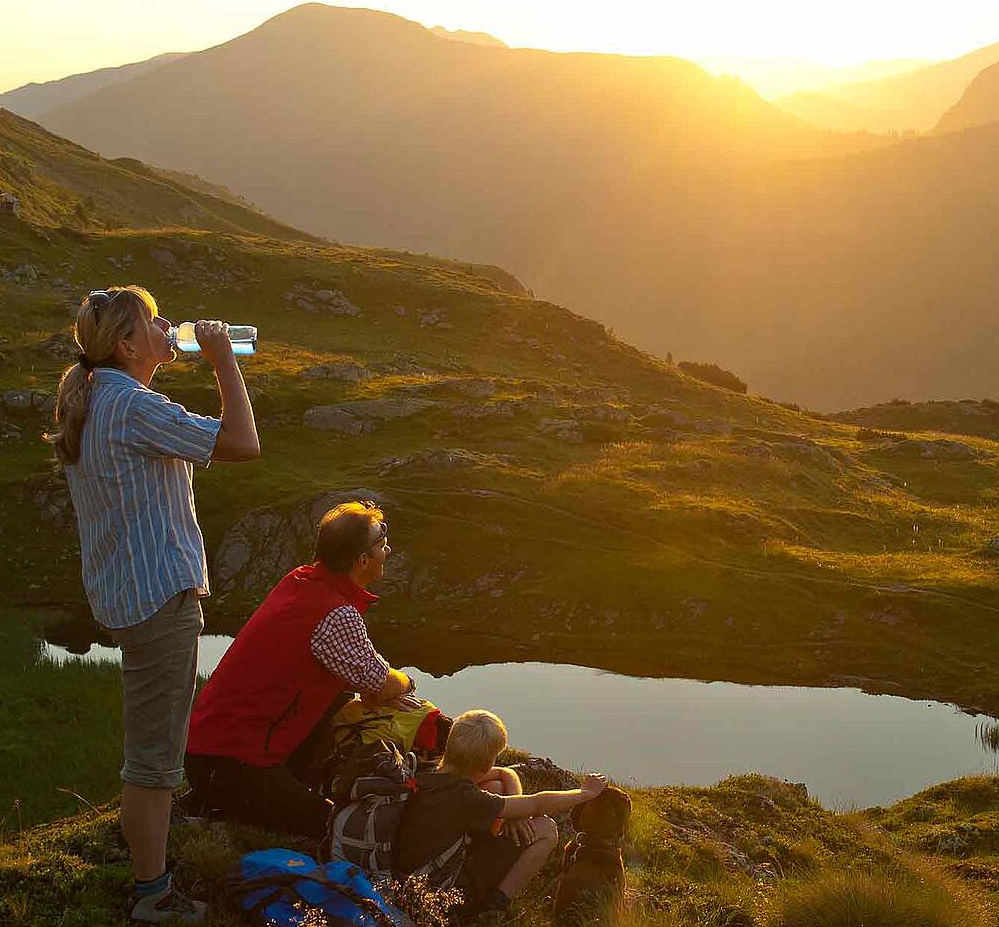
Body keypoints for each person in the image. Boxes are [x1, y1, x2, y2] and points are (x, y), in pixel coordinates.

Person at [50, 286, 260, 924]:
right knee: (154, 760)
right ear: (127, 343)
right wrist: (224, 355)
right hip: (157, 598)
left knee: (153, 745)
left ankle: (149, 873)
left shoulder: (100, 398)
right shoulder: (131, 404)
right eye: (154, 321)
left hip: (127, 593)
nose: (169, 326)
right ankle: (153, 896)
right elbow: (242, 442)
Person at [183, 501, 420, 838]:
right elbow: (382, 684)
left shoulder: (301, 581)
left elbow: (358, 676)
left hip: (211, 753)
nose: (388, 549)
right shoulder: (335, 613)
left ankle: (273, 788)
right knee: (335, 827)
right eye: (382, 543)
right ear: (362, 560)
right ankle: (231, 804)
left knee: (342, 697)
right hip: (231, 764)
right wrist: (406, 682)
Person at [394, 710, 611, 925]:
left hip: (407, 879)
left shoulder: (428, 772)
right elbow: (537, 803)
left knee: (496, 786)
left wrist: (514, 816)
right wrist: (586, 794)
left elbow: (505, 773)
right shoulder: (466, 798)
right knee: (546, 828)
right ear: (486, 763)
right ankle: (493, 909)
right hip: (442, 897)